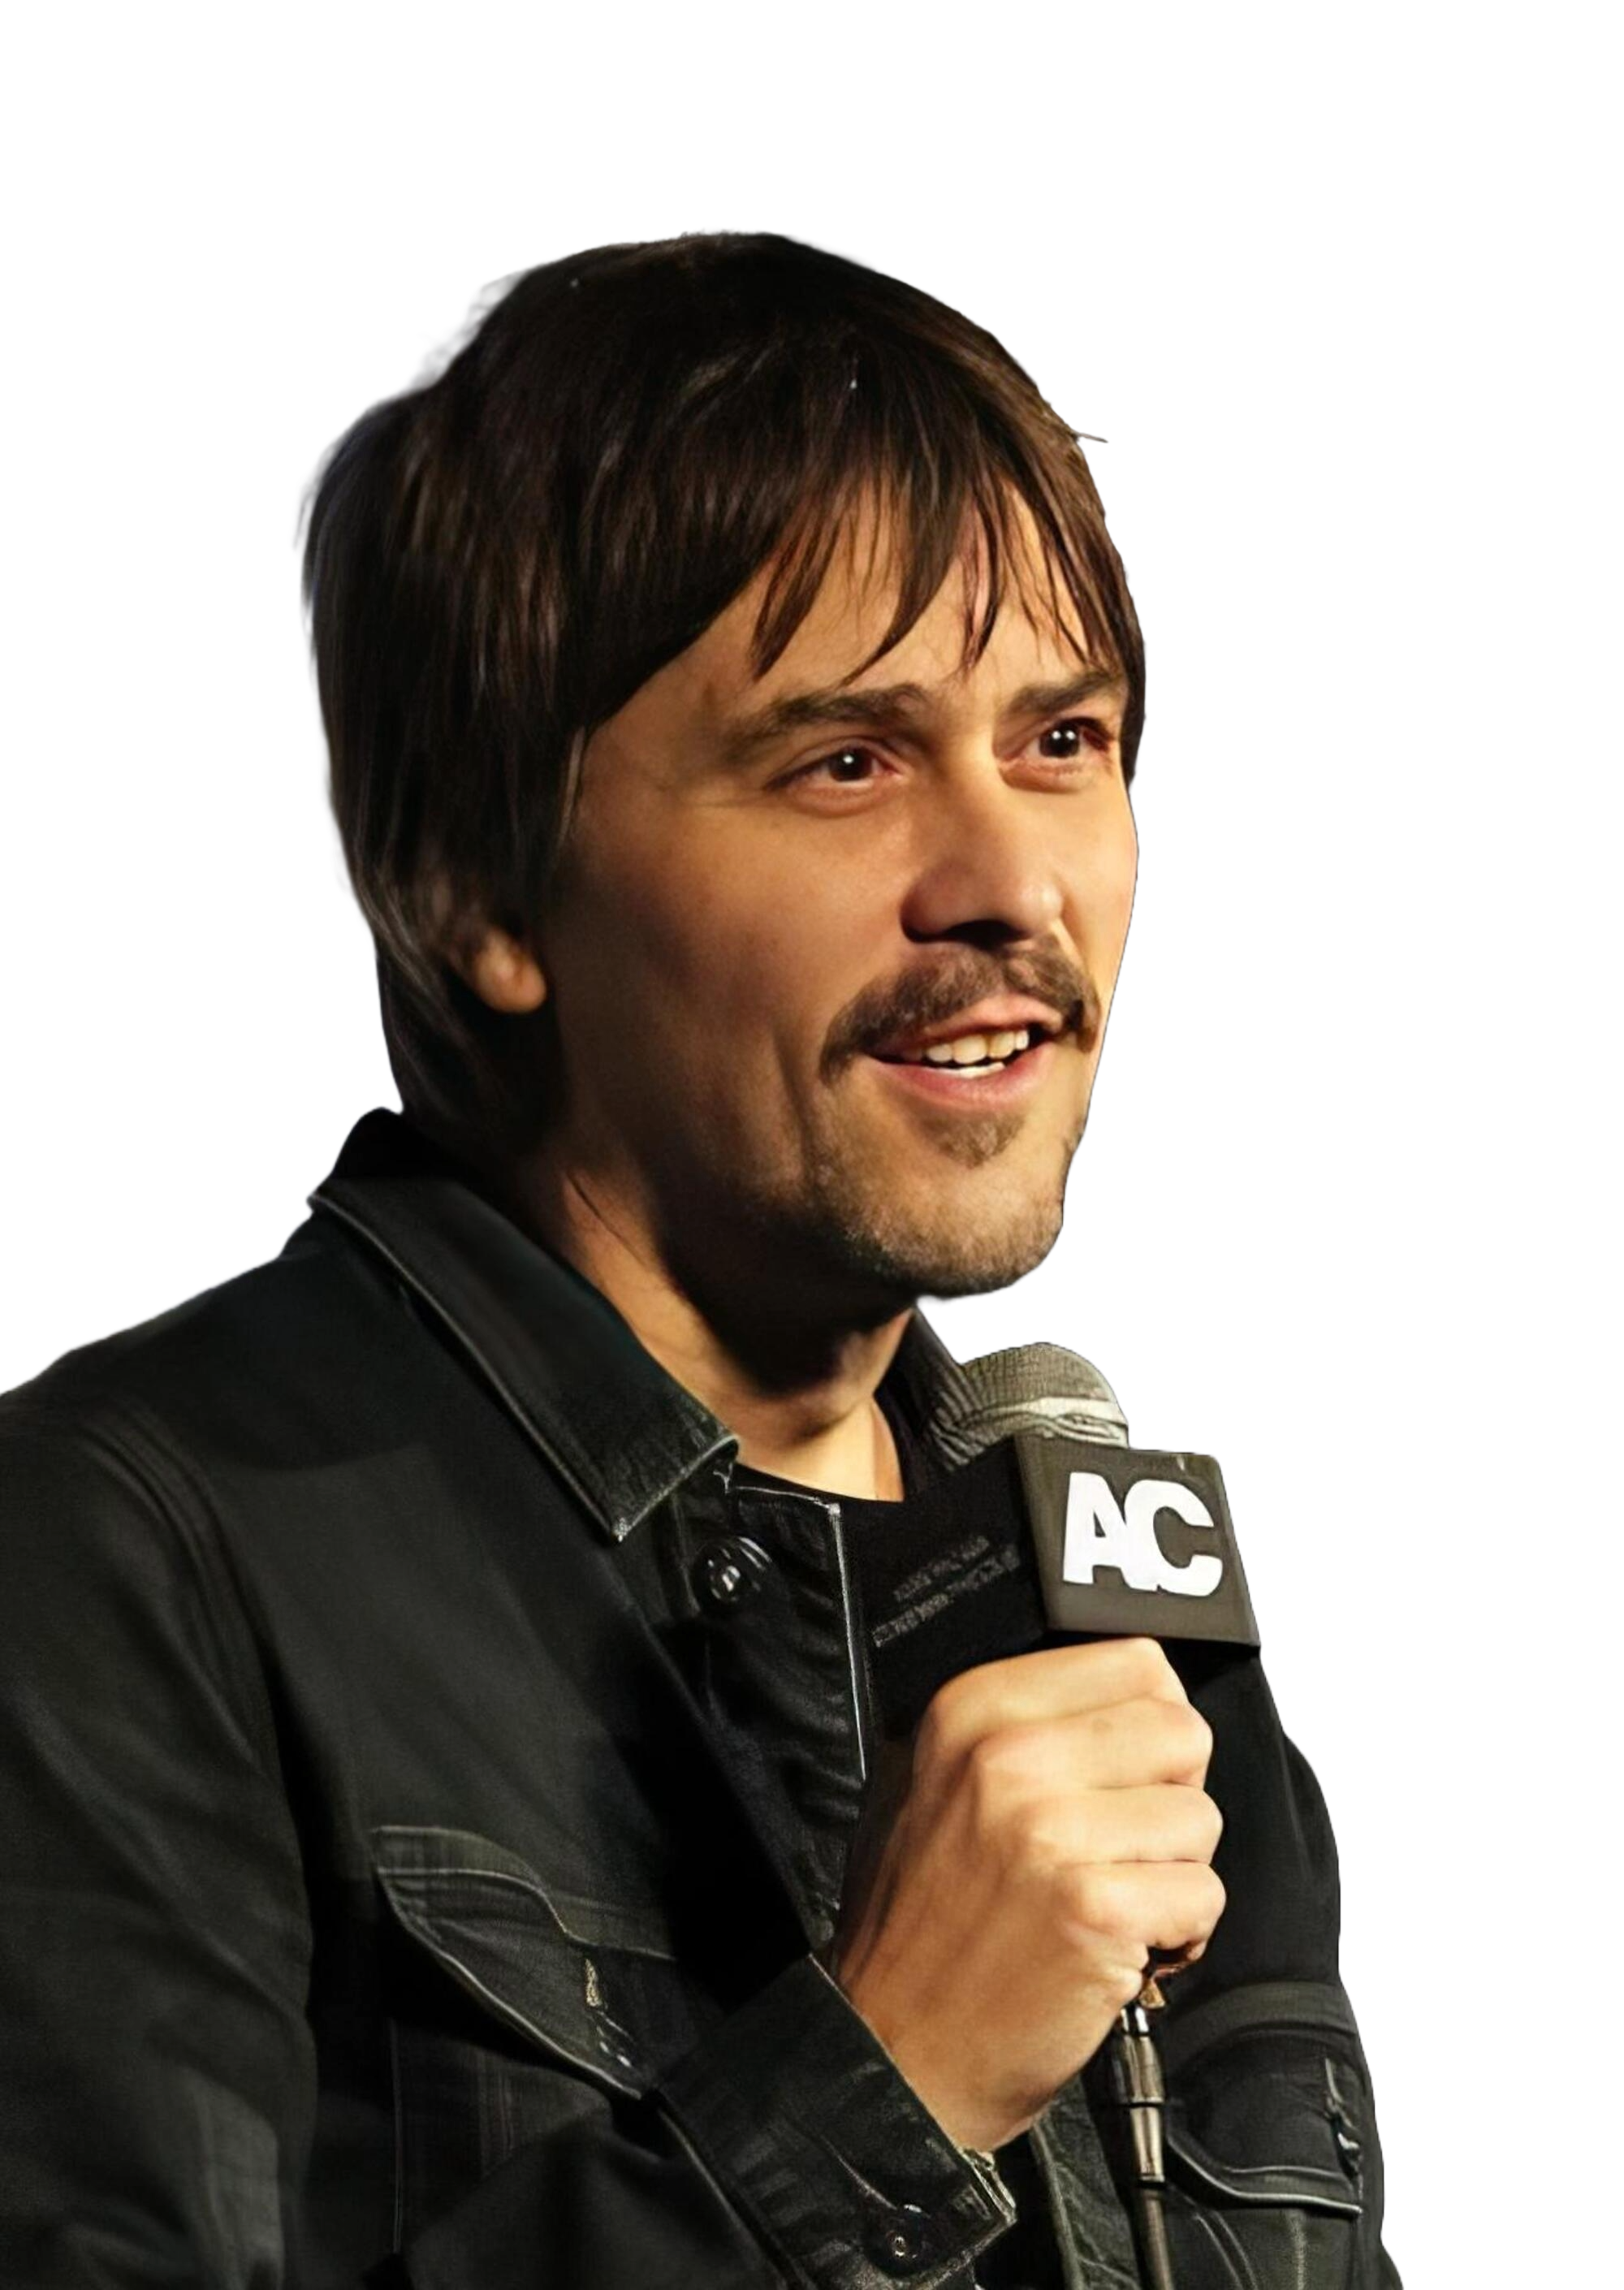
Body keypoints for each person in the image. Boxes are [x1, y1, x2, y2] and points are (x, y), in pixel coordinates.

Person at [0, 231, 1399, 2288]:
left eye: (1063, 741)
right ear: (476, 887)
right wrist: (878, 2087)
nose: (1009, 883)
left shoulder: (1130, 1635)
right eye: (847, 761)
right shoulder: (133, 1542)